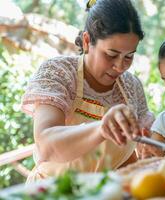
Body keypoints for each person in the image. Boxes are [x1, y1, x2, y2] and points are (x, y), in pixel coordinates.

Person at [21, 0, 154, 182]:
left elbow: (124, 158)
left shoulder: (131, 87)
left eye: (129, 56)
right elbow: (47, 146)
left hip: (105, 192)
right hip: (52, 191)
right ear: (86, 41)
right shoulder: (59, 73)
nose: (120, 67)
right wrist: (101, 128)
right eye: (111, 55)